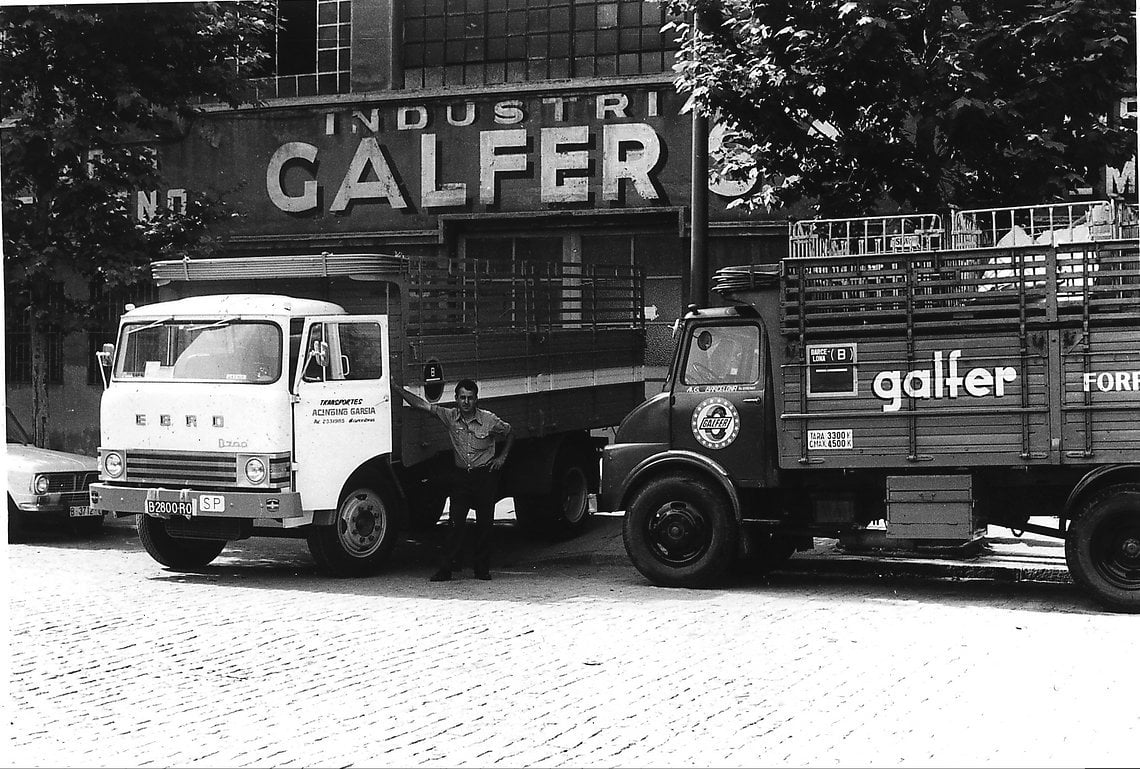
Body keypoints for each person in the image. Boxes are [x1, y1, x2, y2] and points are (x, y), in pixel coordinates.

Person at [395, 378, 514, 582]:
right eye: (462, 398)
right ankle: (445, 570)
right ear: (456, 399)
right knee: (455, 524)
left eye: (470, 398)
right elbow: (421, 405)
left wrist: (502, 458)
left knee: (485, 524)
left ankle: (482, 569)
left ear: (476, 399)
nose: (466, 402)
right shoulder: (449, 416)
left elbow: (510, 432)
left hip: (484, 476)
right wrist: (396, 389)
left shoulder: (489, 420)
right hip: (461, 478)